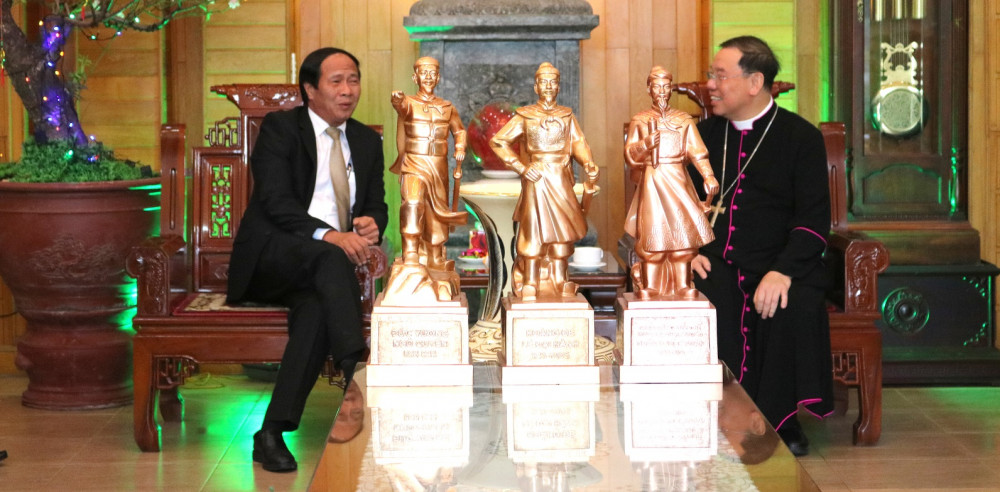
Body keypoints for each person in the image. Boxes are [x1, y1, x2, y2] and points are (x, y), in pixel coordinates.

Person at [226, 47, 388, 472]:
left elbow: (377, 204)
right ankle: (355, 365)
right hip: (273, 257)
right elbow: (276, 202)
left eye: (353, 80)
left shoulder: (366, 141)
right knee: (329, 256)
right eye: (336, 81)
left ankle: (272, 432)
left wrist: (372, 224)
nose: (348, 90)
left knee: (316, 309)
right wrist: (332, 235)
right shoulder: (281, 129)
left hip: (323, 277)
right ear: (310, 89)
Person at [690, 36, 833, 457]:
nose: (710, 85)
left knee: (790, 302)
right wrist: (687, 252)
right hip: (714, 260)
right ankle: (707, 416)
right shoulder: (702, 136)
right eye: (711, 75)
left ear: (755, 83)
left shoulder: (800, 138)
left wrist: (782, 271)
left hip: (781, 260)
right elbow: (678, 205)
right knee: (702, 294)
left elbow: (813, 220)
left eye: (720, 76)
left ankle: (781, 420)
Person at [489, 62, 599, 301]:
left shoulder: (566, 116)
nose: (548, 86)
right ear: (536, 86)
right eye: (544, 82)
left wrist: (588, 162)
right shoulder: (525, 115)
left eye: (553, 82)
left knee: (563, 231)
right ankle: (530, 281)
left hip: (560, 179)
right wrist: (521, 167)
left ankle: (560, 279)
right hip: (537, 180)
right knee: (534, 230)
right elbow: (498, 141)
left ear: (558, 86)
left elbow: (578, 142)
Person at [623, 66, 719, 299]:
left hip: (678, 179)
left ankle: (683, 284)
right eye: (657, 87)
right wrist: (646, 144)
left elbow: (697, 151)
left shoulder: (683, 120)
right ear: (649, 89)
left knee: (682, 235)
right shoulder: (641, 120)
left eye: (666, 87)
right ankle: (651, 285)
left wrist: (708, 175)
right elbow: (630, 155)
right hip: (653, 181)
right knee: (652, 232)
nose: (662, 91)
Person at [383, 57, 468, 303]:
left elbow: (459, 130)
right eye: (424, 72)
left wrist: (459, 146)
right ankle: (411, 253)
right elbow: (400, 107)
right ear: (415, 77)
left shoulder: (447, 107)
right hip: (414, 162)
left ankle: (435, 255)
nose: (428, 77)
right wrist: (397, 100)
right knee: (412, 203)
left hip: (438, 165)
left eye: (433, 73)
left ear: (438, 77)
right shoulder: (409, 103)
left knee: (436, 211)